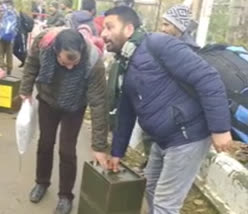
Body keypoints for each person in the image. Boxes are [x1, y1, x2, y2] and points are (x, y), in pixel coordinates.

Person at [101, 6, 233, 214]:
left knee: (165, 203)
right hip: (162, 139)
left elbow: (207, 78)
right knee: (151, 187)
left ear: (128, 29)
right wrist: (117, 152)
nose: (103, 33)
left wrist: (219, 128)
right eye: (102, 28)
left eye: (109, 27)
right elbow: (126, 112)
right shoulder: (126, 62)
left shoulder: (158, 44)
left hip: (188, 135)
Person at [19, 28, 108, 214]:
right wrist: (25, 90)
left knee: (67, 150)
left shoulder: (93, 62)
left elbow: (99, 103)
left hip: (75, 105)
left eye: (74, 62)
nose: (69, 67)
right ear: (55, 51)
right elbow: (31, 64)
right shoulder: (43, 43)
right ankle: (41, 182)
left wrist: (98, 146)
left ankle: (66, 196)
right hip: (48, 98)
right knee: (45, 143)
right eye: (65, 61)